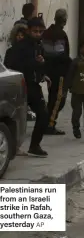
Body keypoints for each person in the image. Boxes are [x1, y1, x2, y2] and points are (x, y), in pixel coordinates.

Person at [5, 17, 50, 157]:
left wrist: (43, 71)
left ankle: (34, 145)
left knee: (43, 115)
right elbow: (14, 67)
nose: (37, 34)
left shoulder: (39, 46)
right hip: (21, 86)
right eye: (35, 31)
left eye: (40, 31)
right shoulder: (19, 47)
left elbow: (40, 65)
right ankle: (13, 147)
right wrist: (35, 63)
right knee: (17, 118)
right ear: (29, 31)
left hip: (34, 85)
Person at [42, 9, 71, 135]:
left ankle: (47, 122)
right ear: (64, 20)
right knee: (59, 99)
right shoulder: (60, 34)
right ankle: (49, 124)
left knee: (53, 97)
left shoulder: (46, 33)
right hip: (59, 72)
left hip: (49, 72)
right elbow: (60, 55)